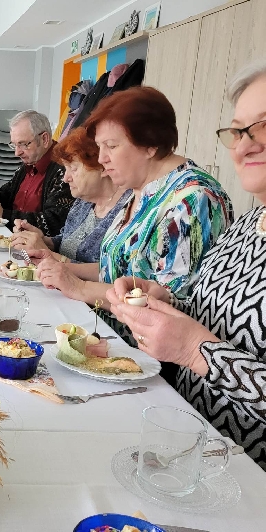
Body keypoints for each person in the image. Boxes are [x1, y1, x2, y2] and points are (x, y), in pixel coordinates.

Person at [106, 62, 266, 470]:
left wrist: (197, 351)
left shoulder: (197, 198)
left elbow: (200, 343)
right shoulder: (250, 224)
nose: (244, 146)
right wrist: (162, 299)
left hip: (249, 474)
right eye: (238, 131)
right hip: (190, 444)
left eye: (263, 127)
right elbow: (210, 312)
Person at [26, 87, 232, 343]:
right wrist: (63, 268)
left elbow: (168, 307)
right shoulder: (141, 189)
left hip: (145, 354)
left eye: (111, 146)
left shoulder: (193, 200)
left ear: (150, 145)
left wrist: (80, 288)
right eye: (100, 147)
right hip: (105, 333)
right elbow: (118, 268)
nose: (102, 159)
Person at [11, 127, 131, 264]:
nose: (65, 178)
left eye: (73, 169)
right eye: (66, 168)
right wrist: (44, 240)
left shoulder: (127, 211)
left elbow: (107, 272)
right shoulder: (83, 201)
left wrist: (46, 252)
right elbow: (67, 240)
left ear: (102, 167)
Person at [0, 110, 74, 234]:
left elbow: (55, 223)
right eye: (14, 145)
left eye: (23, 144)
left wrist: (4, 214)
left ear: (44, 139)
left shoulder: (64, 169)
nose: (17, 153)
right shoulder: (28, 164)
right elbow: (7, 197)